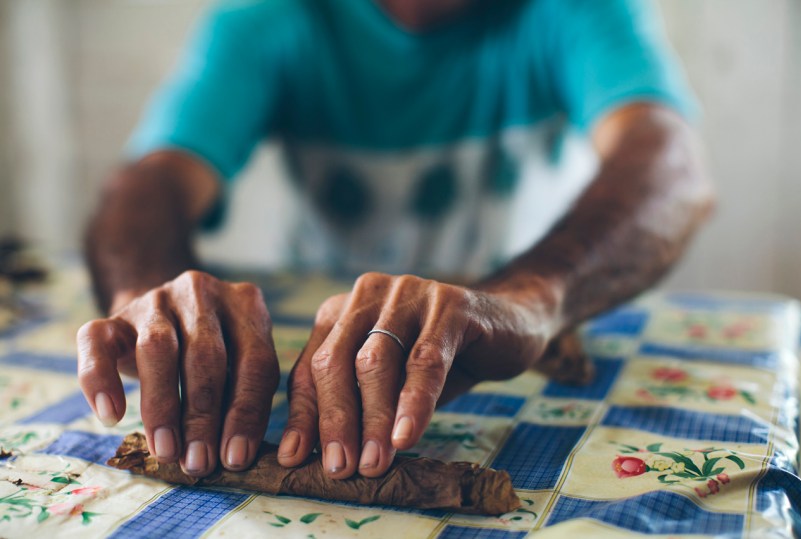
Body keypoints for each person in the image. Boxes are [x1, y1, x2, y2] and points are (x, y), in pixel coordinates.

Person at [76, 0, 714, 482]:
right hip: (321, 355)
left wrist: (527, 299)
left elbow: (670, 167)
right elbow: (152, 179)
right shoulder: (270, 18)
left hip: (516, 343)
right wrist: (152, 294)